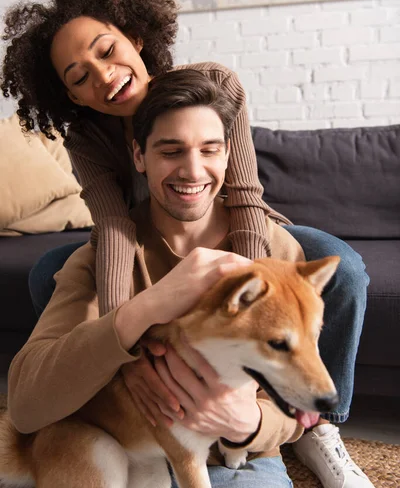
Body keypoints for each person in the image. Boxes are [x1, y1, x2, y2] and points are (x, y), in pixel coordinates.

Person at [1, 0, 372, 488]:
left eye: (106, 51)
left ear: (135, 37)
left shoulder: (213, 87)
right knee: (53, 270)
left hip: (243, 224)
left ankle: (322, 427)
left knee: (347, 270)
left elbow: (243, 194)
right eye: (79, 76)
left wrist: (245, 286)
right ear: (73, 96)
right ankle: (98, 393)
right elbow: (110, 226)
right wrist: (127, 358)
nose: (103, 74)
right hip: (136, 232)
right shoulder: (87, 139)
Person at [9, 71, 308, 488]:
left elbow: (297, 399)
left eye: (209, 150)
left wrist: (251, 423)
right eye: (171, 151)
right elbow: (25, 408)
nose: (192, 170)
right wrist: (144, 308)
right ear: (138, 156)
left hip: (232, 460)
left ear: (227, 156)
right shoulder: (97, 261)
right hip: (125, 447)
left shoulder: (276, 249)